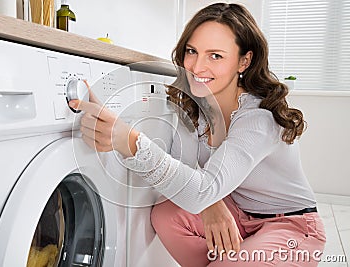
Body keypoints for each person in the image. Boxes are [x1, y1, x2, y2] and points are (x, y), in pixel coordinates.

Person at [68, 3, 326, 266]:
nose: (197, 67)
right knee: (166, 215)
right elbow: (185, 167)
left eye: (215, 56)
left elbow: (199, 186)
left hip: (291, 224)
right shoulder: (198, 105)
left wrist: (131, 142)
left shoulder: (259, 119)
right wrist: (210, 203)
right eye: (192, 51)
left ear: (244, 61)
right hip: (238, 212)